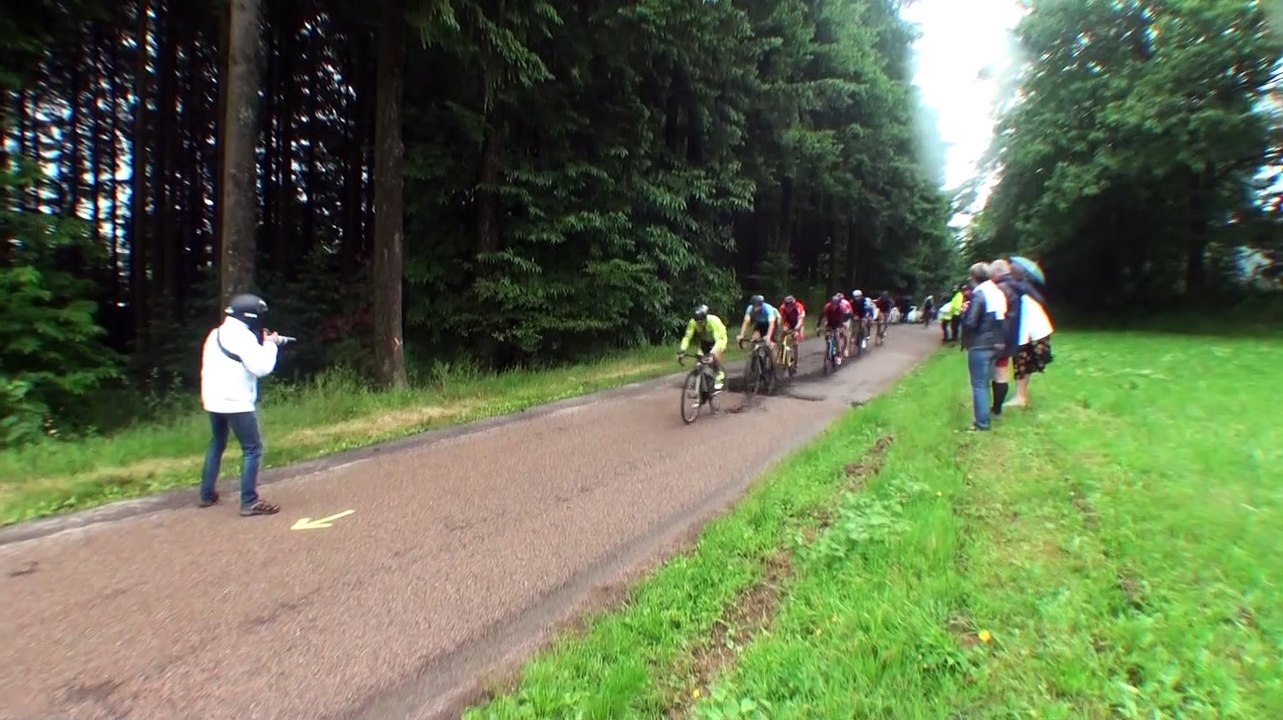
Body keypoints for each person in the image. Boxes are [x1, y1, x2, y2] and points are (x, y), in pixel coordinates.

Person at [199, 293, 288, 516]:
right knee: (253, 448)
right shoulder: (242, 337)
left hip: (213, 399)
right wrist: (271, 345)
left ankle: (206, 494)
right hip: (236, 401)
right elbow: (262, 367)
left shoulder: (216, 333)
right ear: (250, 316)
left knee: (217, 443)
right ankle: (249, 501)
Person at [960, 264, 1008, 431]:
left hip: (981, 345)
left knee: (979, 385)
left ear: (974, 278)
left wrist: (964, 313)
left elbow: (970, 323)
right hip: (998, 343)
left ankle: (981, 424)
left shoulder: (979, 294)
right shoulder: (998, 292)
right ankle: (985, 416)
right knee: (986, 383)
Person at [678, 304, 728, 392]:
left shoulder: (713, 321)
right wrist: (682, 350)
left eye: (701, 322)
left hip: (719, 340)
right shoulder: (693, 322)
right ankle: (699, 390)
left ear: (705, 318)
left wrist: (712, 353)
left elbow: (719, 340)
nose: (699, 324)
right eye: (697, 322)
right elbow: (687, 337)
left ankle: (720, 375)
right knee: (699, 363)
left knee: (713, 359)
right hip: (705, 341)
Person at [817, 293, 850, 366]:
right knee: (827, 333)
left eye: (836, 305)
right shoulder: (827, 307)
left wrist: (839, 328)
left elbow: (841, 320)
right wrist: (819, 327)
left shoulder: (841, 309)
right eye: (833, 304)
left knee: (837, 335)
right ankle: (829, 346)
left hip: (838, 322)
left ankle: (839, 354)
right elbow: (823, 317)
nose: (834, 306)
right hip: (830, 321)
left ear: (838, 304)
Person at [777, 295, 806, 362]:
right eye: (787, 305)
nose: (789, 308)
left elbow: (800, 320)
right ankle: (781, 351)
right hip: (788, 322)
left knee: (795, 339)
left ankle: (795, 361)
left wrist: (796, 329)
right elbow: (780, 319)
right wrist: (779, 328)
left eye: (790, 306)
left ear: (794, 304)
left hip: (797, 322)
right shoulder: (782, 307)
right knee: (783, 332)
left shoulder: (799, 307)